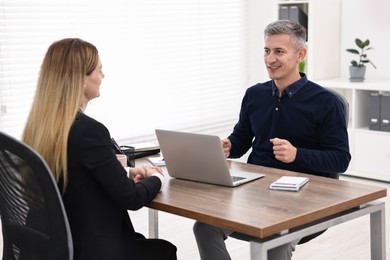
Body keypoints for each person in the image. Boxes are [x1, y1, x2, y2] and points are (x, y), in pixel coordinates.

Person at [193, 20, 351, 260]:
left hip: (305, 198)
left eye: (279, 51)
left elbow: (340, 160)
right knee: (205, 226)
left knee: (276, 240)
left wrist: (297, 154)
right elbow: (242, 137)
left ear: (301, 54)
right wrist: (229, 146)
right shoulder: (255, 94)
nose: (270, 59)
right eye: (267, 51)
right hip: (255, 189)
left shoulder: (326, 103)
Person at [22, 38, 177, 260]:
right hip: (90, 248)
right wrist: (156, 177)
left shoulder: (40, 128)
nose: (102, 77)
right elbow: (131, 198)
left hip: (52, 247)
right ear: (82, 80)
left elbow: (72, 177)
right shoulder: (88, 131)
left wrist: (122, 172)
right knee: (163, 251)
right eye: (99, 70)